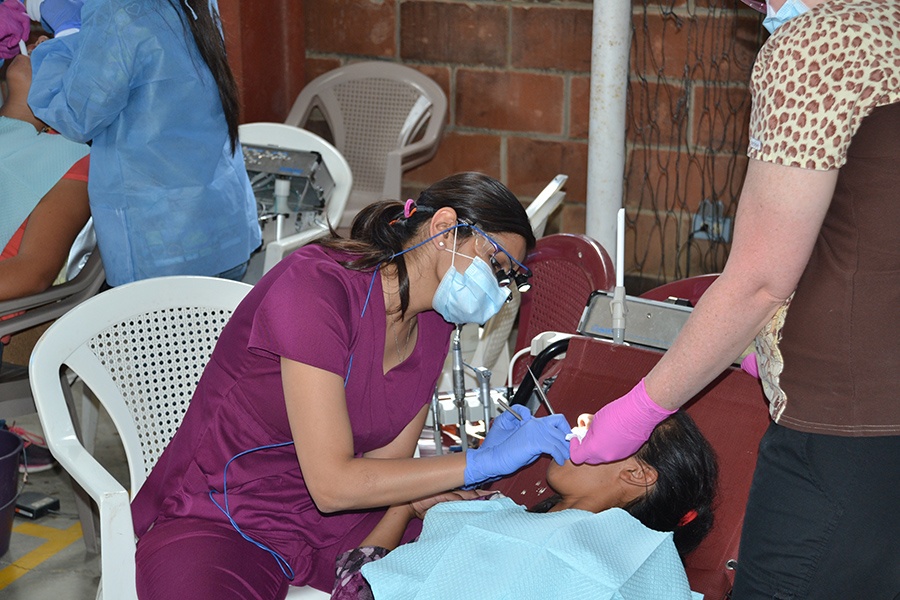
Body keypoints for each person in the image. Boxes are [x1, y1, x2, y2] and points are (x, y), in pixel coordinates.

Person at [570, 0, 899, 598]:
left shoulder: (821, 45)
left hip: (842, 426)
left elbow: (760, 278)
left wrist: (639, 409)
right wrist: (770, 347)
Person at [130, 172, 574, 600]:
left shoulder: (435, 324)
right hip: (223, 515)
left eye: (509, 279)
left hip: (334, 524)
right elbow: (334, 484)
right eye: (496, 263)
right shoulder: (316, 287)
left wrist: (409, 505)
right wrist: (480, 461)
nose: (499, 290)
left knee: (495, 563)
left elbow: (384, 473)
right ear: (444, 228)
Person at [331, 409, 719, 600]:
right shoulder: (492, 511)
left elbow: (354, 588)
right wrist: (412, 504)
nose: (580, 421)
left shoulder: (631, 565)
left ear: (638, 474)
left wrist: (403, 507)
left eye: (602, 425)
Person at [24, 0, 261, 286]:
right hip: (225, 227)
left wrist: (66, 36)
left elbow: (75, 116)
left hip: (162, 250)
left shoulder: (117, 10)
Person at [0, 34, 89, 473]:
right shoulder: (6, 135)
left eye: (60, 46)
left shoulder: (73, 161)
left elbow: (30, 274)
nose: (38, 43)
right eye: (38, 40)